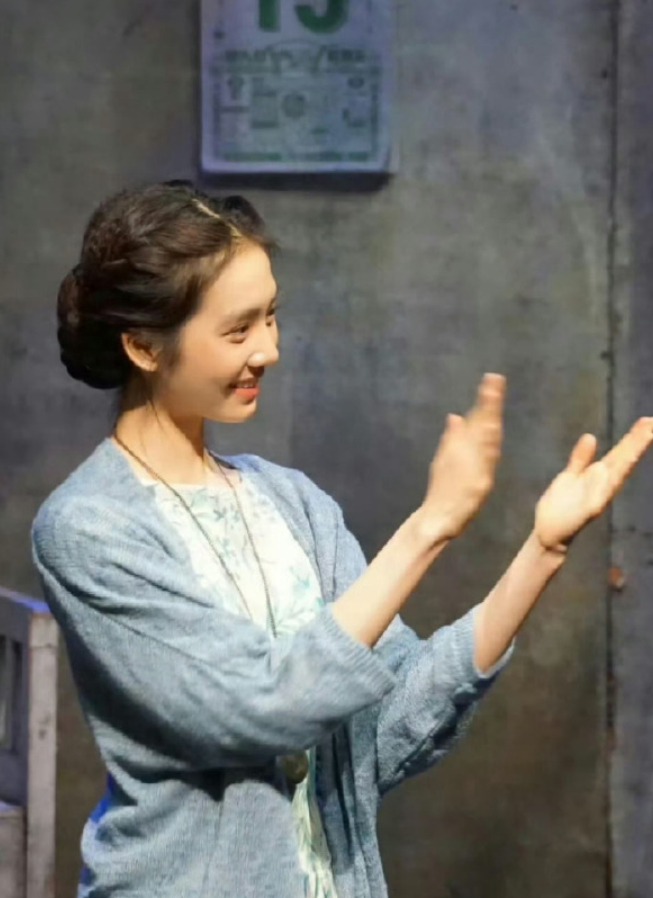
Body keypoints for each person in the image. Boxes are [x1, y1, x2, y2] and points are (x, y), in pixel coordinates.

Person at [30, 181, 653, 898]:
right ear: (143, 346)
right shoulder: (88, 527)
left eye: (271, 317)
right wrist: (428, 527)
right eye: (238, 330)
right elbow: (262, 705)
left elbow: (387, 730)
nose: (269, 349)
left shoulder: (292, 503)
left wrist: (541, 551)